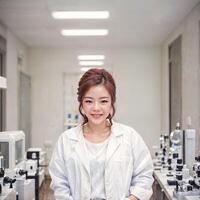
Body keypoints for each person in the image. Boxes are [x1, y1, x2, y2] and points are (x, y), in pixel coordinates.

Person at [49, 68, 154, 200]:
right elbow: (59, 184)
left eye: (103, 101)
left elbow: (144, 176)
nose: (96, 108)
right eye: (89, 101)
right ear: (81, 104)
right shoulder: (66, 140)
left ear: (111, 103)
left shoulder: (130, 137)